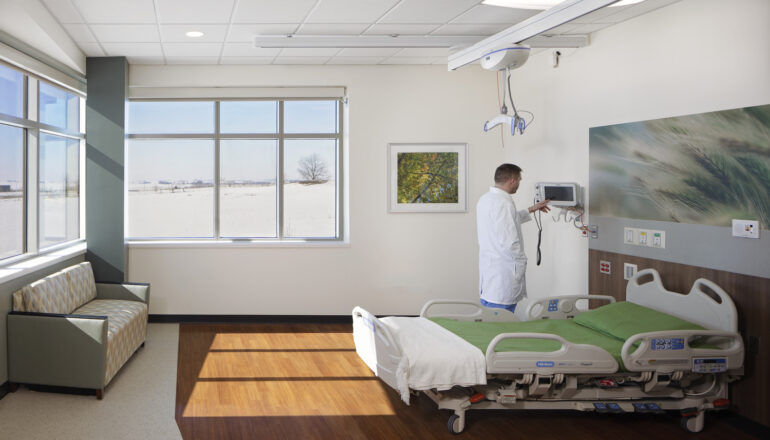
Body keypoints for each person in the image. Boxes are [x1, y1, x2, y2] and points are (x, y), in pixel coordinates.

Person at [476, 163, 550, 313]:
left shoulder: (486, 199)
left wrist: (531, 209)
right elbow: (509, 241)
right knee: (502, 319)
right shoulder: (503, 203)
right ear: (512, 180)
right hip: (504, 272)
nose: (519, 184)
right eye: (519, 180)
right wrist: (521, 261)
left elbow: (507, 222)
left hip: (491, 271)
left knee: (489, 316)